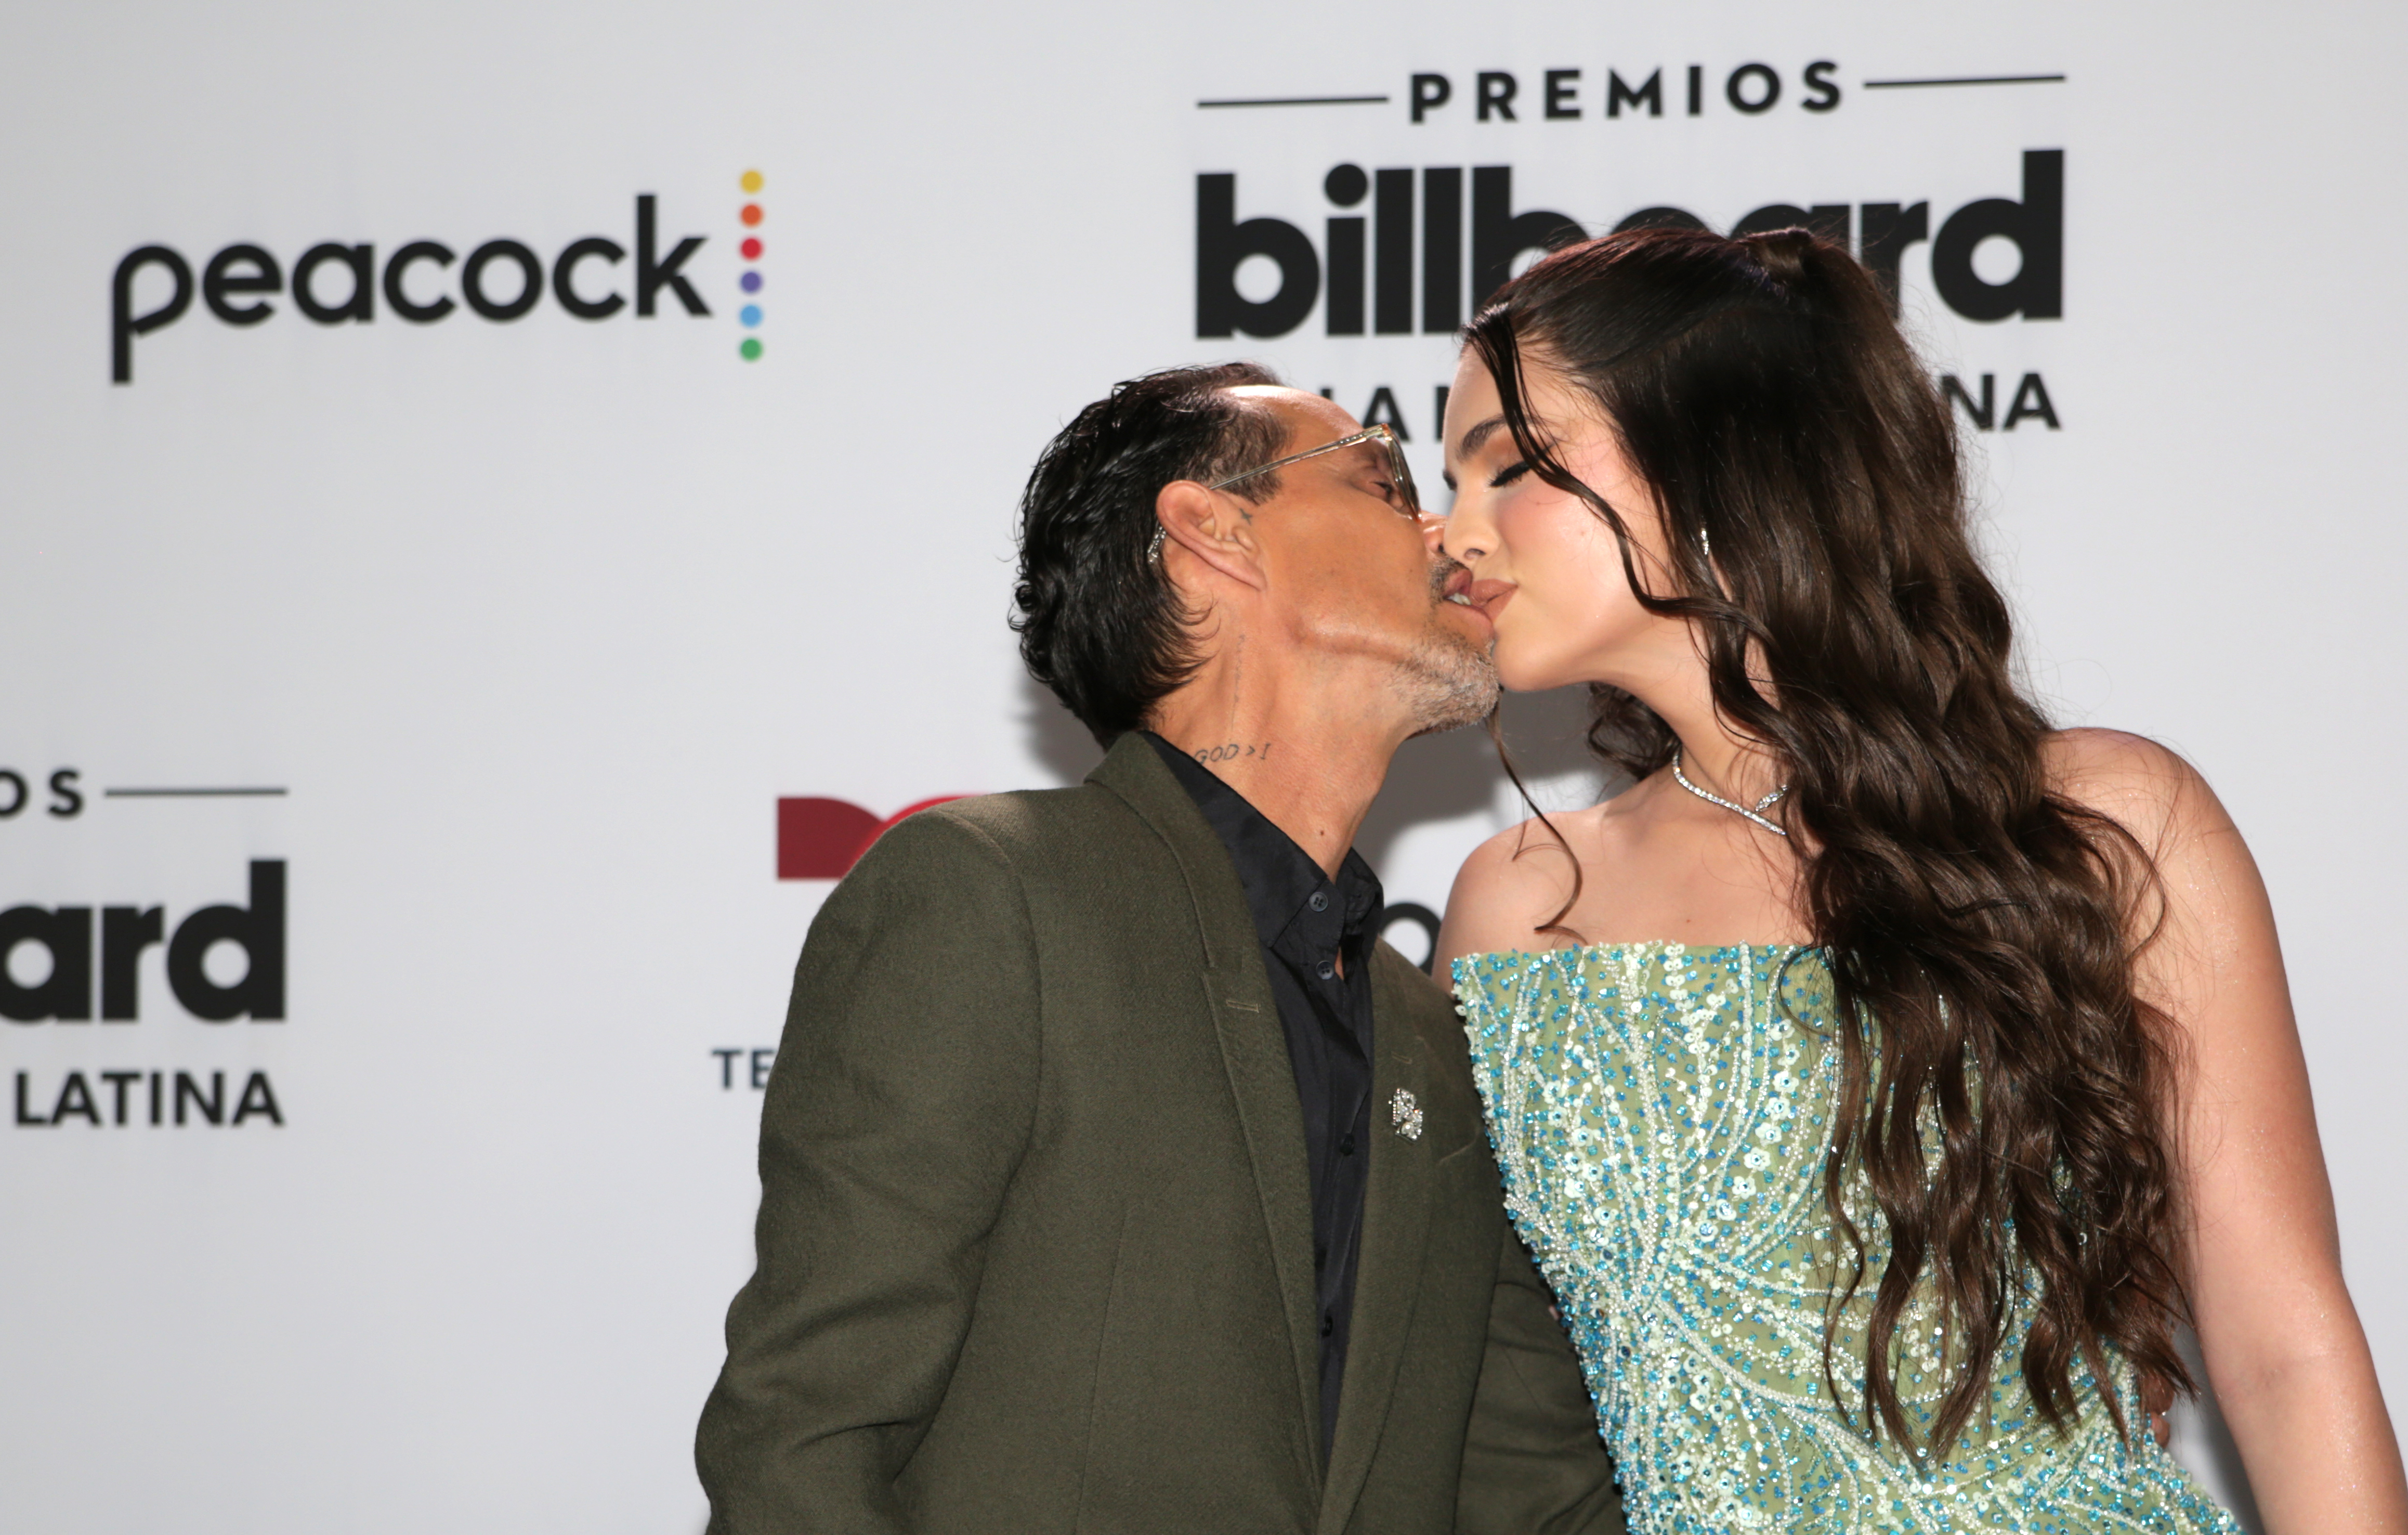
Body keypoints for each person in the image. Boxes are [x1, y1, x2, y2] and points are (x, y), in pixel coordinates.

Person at [1431, 227, 2408, 1534]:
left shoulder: (2104, 822)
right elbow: (1486, 1417)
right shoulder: (1519, 904)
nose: (1453, 535)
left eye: (1508, 466)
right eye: (1451, 480)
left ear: (1720, 453)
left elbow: (2285, 1352)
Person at [696, 362, 1626, 1534]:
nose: (1450, 532)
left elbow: (1527, 1493)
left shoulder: (1442, 1038)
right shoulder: (986, 898)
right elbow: (804, 1445)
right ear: (1214, 533)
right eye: (1387, 481)